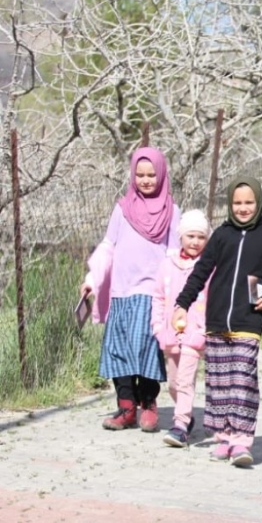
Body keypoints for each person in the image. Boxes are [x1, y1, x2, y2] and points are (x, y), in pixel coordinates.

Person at [173, 177, 262, 468]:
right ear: (230, 204)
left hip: (249, 318)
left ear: (258, 203)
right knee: (219, 383)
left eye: (249, 203)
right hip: (216, 320)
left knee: (242, 381)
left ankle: (242, 440)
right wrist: (182, 304)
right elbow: (202, 270)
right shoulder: (222, 235)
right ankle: (225, 436)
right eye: (238, 203)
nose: (243, 208)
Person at [82, 147, 181, 433]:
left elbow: (176, 252)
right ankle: (126, 407)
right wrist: (92, 278)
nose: (146, 180)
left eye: (152, 174)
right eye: (140, 174)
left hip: (152, 293)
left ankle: (148, 404)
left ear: (161, 175)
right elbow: (108, 246)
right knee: (118, 350)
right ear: (132, 175)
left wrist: (175, 292)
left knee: (147, 348)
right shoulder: (122, 209)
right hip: (121, 293)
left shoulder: (171, 211)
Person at [150, 209, 211, 448]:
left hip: (195, 334)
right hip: (170, 334)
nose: (195, 242)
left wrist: (204, 329)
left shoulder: (208, 267)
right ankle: (188, 415)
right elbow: (157, 297)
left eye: (201, 237)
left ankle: (180, 426)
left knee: (185, 380)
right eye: (190, 236)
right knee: (174, 383)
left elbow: (213, 298)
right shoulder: (168, 264)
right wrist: (157, 326)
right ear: (181, 237)